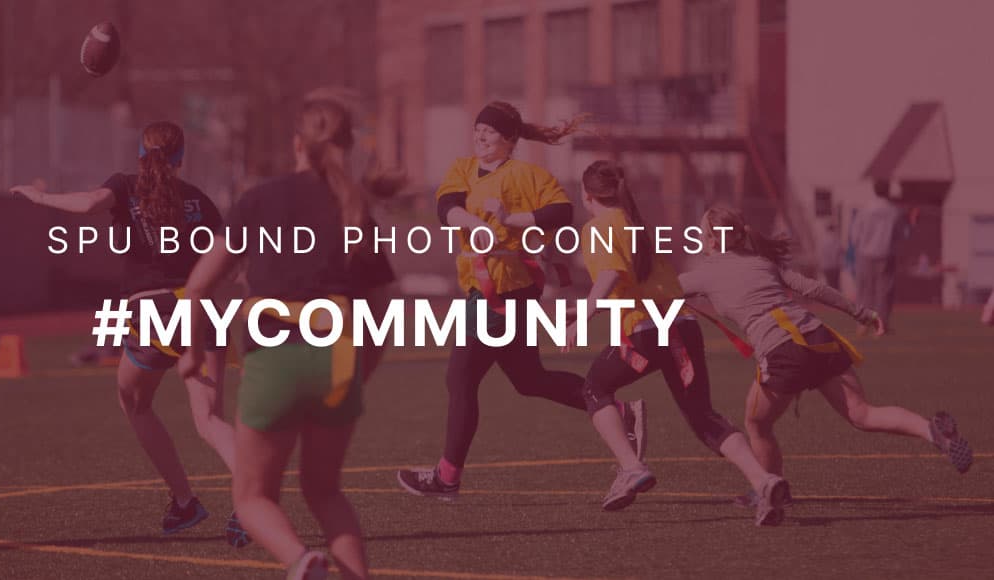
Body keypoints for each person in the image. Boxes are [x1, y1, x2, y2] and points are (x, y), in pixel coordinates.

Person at [179, 94, 397, 580]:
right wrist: (361, 372)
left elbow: (198, 284)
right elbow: (383, 311)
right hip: (338, 359)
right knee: (325, 493)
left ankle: (302, 563)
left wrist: (192, 352)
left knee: (253, 496)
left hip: (274, 356)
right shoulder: (356, 206)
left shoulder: (259, 199)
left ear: (298, 144)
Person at [11, 121, 250, 545]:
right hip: (203, 310)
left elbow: (87, 204)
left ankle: (184, 500)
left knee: (133, 401)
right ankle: (250, 501)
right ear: (182, 157)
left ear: (141, 153)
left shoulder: (125, 186)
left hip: (155, 308)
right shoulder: (199, 199)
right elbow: (232, 264)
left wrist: (40, 196)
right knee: (209, 419)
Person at [396, 101, 647, 502]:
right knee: (529, 380)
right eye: (477, 128)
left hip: (510, 293)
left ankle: (446, 478)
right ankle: (618, 413)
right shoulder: (462, 169)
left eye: (490, 131)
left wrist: (513, 218)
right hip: (481, 291)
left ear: (510, 140)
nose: (480, 136)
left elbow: (561, 212)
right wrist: (477, 224)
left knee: (460, 377)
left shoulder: (529, 175)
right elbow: (447, 208)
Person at [680, 207, 972, 498]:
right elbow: (814, 288)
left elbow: (657, 292)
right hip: (818, 337)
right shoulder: (763, 262)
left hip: (782, 351)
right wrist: (862, 313)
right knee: (863, 414)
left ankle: (770, 488)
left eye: (701, 234)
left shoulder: (706, 274)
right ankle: (931, 430)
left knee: (756, 423)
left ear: (714, 241)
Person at [571, 161, 790, 527]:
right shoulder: (636, 223)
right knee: (702, 415)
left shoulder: (597, 229)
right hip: (683, 325)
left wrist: (584, 317)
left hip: (648, 328)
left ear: (586, 194)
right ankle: (764, 480)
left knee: (594, 387)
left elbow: (610, 274)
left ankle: (630, 467)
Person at [850, 180, 908, 333]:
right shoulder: (894, 211)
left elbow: (855, 234)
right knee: (884, 291)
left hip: (865, 254)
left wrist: (859, 247)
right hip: (886, 254)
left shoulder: (865, 209)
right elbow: (901, 235)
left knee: (865, 290)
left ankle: (862, 324)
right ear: (888, 191)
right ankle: (881, 326)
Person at [818, 222, 842, 289]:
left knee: (830, 285)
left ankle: (831, 298)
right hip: (834, 266)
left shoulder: (822, 240)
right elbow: (838, 252)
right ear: (833, 229)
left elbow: (821, 254)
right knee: (836, 285)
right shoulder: (836, 239)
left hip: (826, 267)